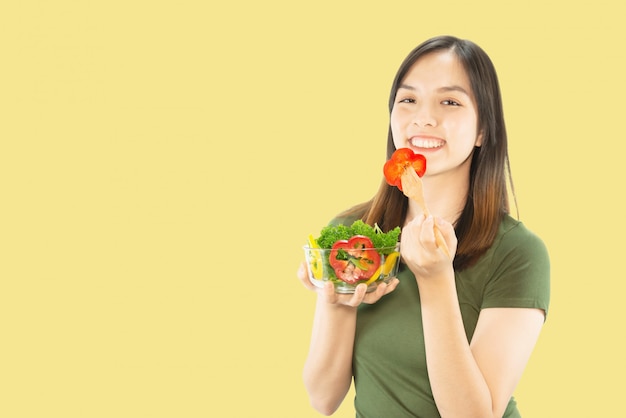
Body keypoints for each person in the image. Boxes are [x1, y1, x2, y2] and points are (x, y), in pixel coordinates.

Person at [297, 35, 550, 418]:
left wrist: (435, 280)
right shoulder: (353, 236)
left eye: (450, 101)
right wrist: (339, 304)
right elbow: (323, 399)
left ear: (483, 130)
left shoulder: (517, 253)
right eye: (408, 100)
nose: (424, 118)